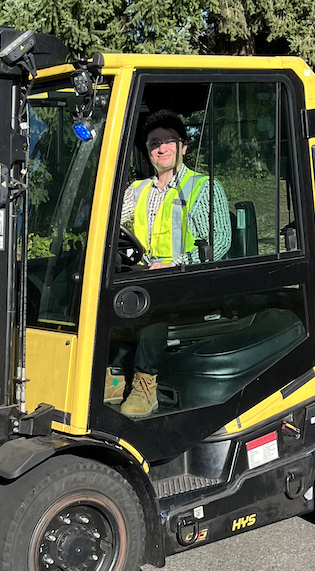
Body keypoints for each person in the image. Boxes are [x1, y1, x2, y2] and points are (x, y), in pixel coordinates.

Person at [118, 109, 231, 418]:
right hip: (144, 274)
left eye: (169, 141)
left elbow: (220, 243)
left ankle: (145, 386)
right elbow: (110, 226)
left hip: (187, 281)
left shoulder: (203, 187)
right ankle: (114, 372)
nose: (162, 147)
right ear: (147, 150)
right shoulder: (136, 191)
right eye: (154, 142)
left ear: (184, 147)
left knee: (152, 297)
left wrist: (175, 265)